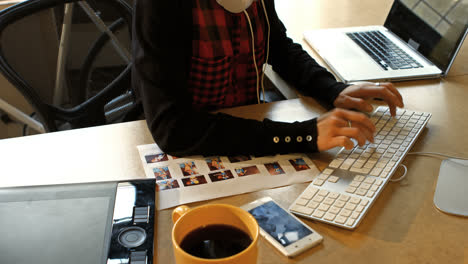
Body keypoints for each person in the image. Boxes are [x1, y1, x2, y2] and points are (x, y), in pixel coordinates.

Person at [132, 0, 404, 157]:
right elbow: (173, 130)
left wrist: (332, 90)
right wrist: (301, 135)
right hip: (194, 143)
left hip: (245, 131)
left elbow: (277, 44)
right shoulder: (162, 5)